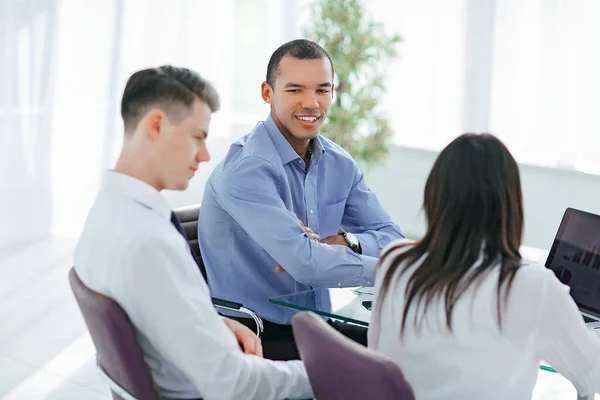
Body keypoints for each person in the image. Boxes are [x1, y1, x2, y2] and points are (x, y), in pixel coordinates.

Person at [73, 66, 313, 400]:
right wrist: (321, 374)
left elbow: (153, 308)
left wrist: (211, 324)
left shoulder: (107, 211)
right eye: (197, 137)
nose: (204, 154)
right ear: (156, 125)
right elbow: (233, 384)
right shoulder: (150, 242)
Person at [198, 39, 403, 361]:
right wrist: (400, 271)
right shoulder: (246, 171)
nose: (311, 103)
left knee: (409, 355)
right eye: (295, 90)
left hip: (313, 325)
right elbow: (308, 264)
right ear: (267, 93)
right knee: (382, 371)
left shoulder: (339, 163)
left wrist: (348, 242)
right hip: (254, 335)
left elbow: (391, 236)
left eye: (322, 90)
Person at [369, 133, 600, 400]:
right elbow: (592, 375)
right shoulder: (531, 286)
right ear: (509, 203)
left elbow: (379, 359)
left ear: (434, 195)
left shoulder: (395, 261)